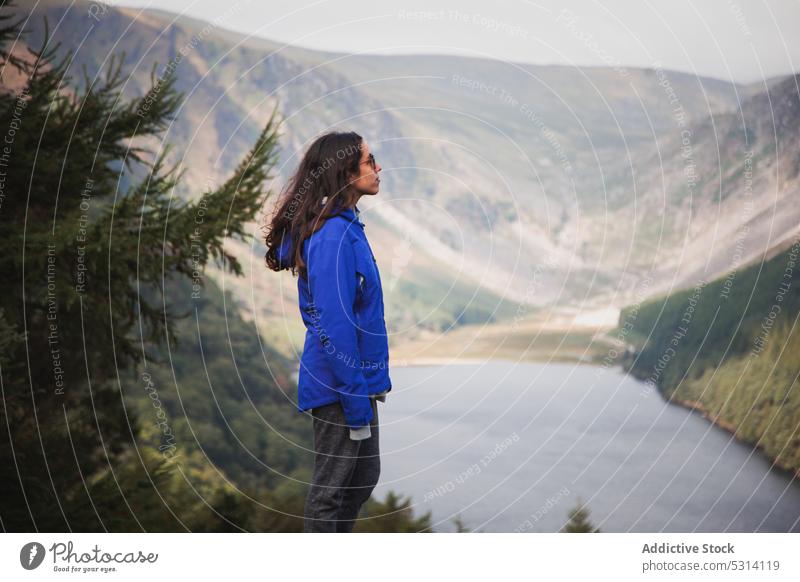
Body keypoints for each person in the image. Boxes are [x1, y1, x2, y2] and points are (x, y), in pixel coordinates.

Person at [264, 131, 391, 532]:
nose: (378, 168)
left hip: (357, 383)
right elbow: (334, 329)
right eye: (370, 161)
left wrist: (371, 384)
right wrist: (355, 402)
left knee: (361, 480)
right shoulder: (332, 236)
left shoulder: (348, 226)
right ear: (345, 172)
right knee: (331, 492)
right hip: (340, 386)